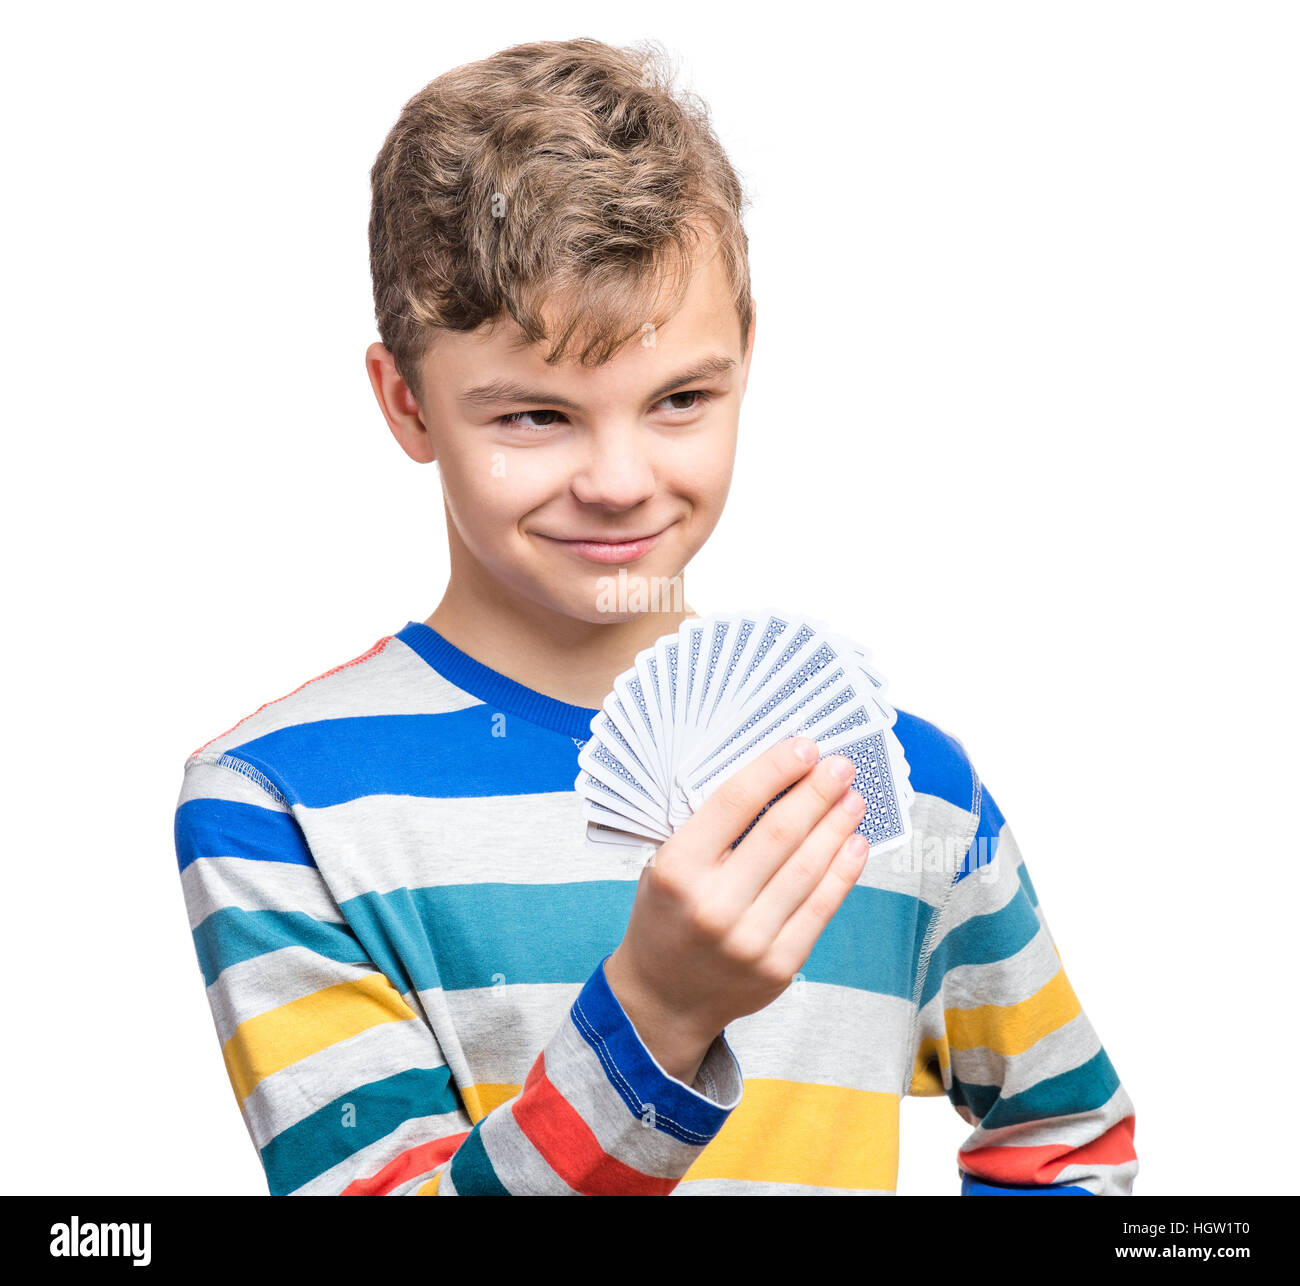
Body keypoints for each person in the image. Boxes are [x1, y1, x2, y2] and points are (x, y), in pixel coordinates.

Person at [172, 36, 1137, 1196]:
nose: (620, 477)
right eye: (534, 416)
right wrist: (658, 1012)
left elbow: (1067, 1139)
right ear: (406, 400)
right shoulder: (282, 800)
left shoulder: (900, 783)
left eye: (680, 397)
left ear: (744, 364)